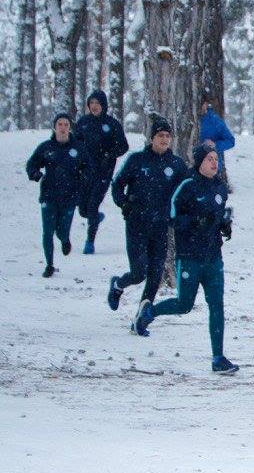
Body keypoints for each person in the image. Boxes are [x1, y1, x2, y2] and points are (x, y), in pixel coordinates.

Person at [133, 143, 238, 374]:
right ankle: (149, 312)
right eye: (209, 159)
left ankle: (218, 358)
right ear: (199, 162)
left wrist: (224, 225)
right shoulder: (187, 186)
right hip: (189, 256)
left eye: (216, 159)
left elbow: (217, 216)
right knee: (184, 304)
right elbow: (172, 216)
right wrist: (194, 221)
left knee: (217, 306)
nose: (214, 162)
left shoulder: (220, 188)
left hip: (213, 257)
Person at [108, 117, 188, 331]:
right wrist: (124, 204)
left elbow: (186, 193)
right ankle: (117, 284)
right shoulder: (136, 160)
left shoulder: (177, 165)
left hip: (161, 227)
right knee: (138, 273)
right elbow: (117, 185)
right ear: (152, 138)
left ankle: (140, 319)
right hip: (137, 224)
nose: (164, 139)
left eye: (167, 136)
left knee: (155, 276)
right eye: (160, 135)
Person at [26, 113, 88, 278]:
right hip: (49, 195)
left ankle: (65, 239)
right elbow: (32, 164)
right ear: (54, 127)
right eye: (59, 124)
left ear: (70, 127)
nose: (63, 127)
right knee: (47, 231)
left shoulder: (78, 148)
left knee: (61, 230)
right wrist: (35, 174)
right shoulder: (46, 147)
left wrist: (83, 179)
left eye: (66, 124)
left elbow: (88, 167)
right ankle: (49, 264)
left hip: (69, 196)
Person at [74, 89, 129, 253]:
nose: (94, 106)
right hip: (86, 171)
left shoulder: (111, 124)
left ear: (103, 105)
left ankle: (89, 242)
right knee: (83, 209)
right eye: (91, 103)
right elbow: (75, 144)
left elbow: (123, 145)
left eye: (97, 103)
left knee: (92, 205)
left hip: (104, 172)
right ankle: (95, 218)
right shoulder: (83, 123)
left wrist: (109, 154)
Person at [198, 93, 236, 180]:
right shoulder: (184, 119)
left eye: (201, 103)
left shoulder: (215, 121)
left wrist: (215, 145)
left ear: (206, 104)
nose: (199, 107)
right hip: (192, 167)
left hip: (212, 170)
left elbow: (231, 141)